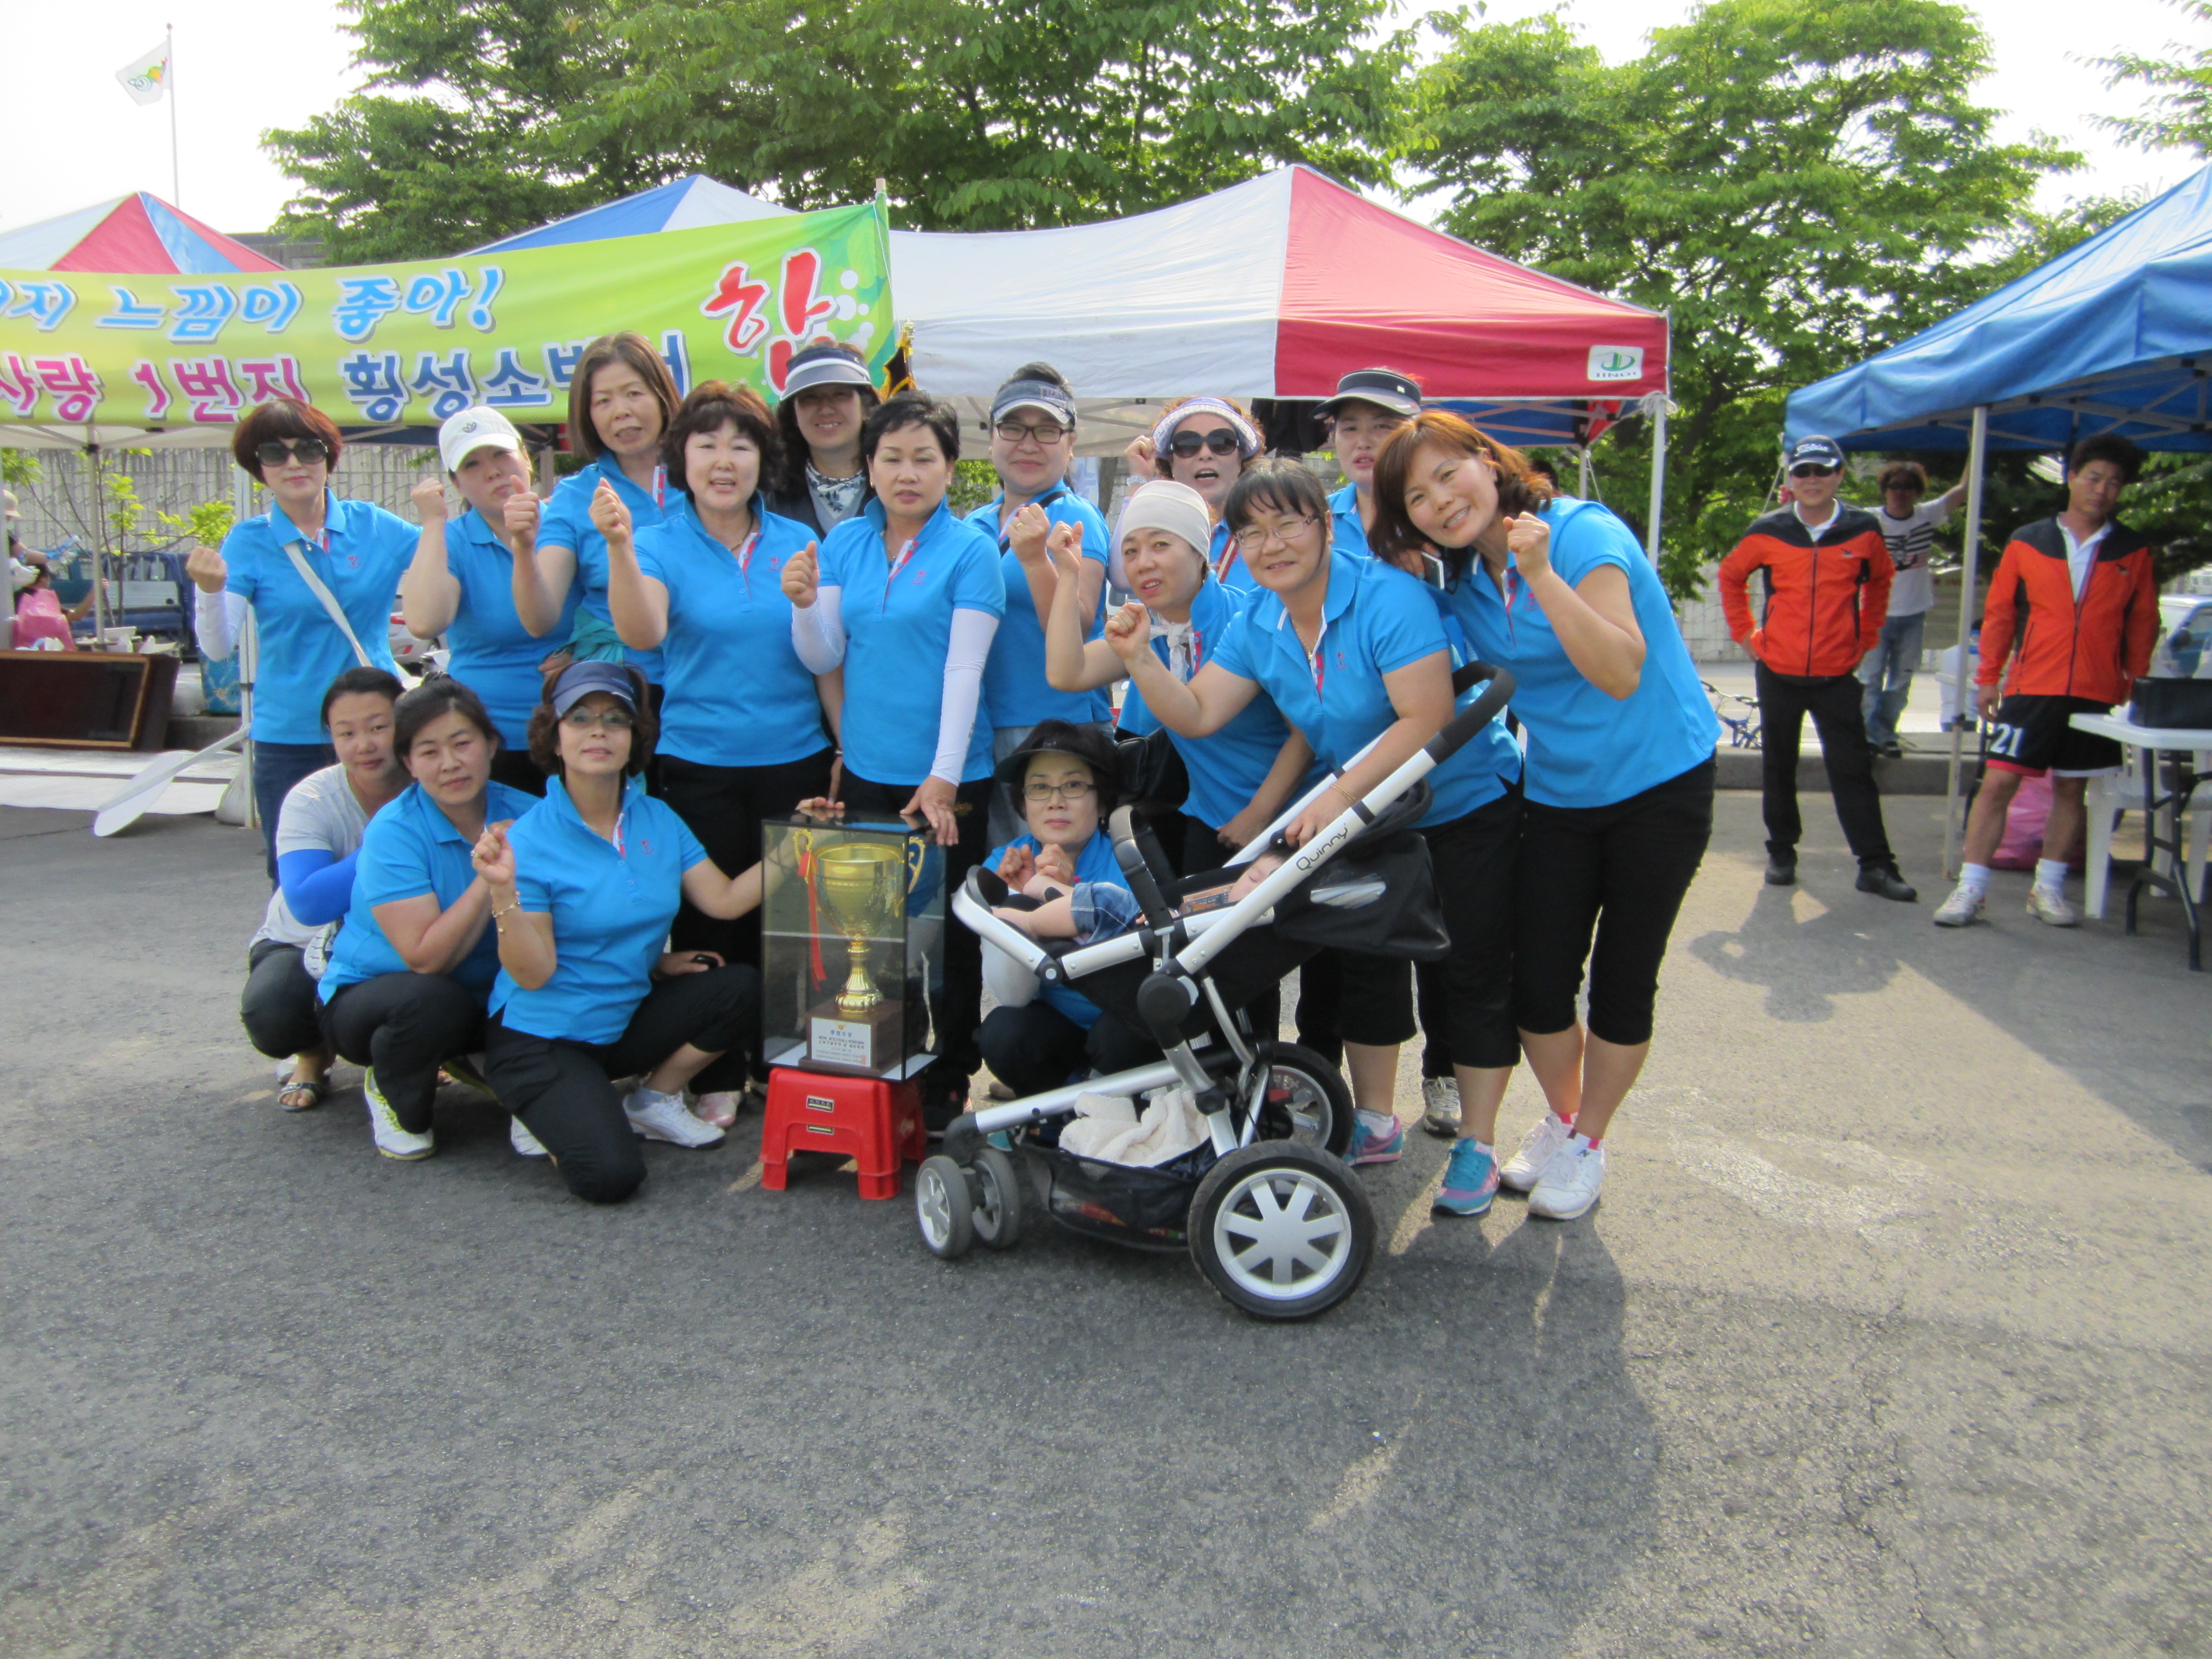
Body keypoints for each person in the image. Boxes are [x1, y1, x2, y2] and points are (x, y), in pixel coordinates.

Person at [1108, 457, 1525, 1185]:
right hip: (1369, 805)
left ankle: (1479, 1144)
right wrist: (1139, 659)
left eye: (1288, 524)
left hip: (1461, 801)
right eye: (1252, 532)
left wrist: (1334, 798)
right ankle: (1375, 1121)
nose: (1272, 545)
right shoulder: (1258, 620)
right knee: (1369, 955)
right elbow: (1198, 713)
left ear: (1325, 525)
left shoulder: (1388, 596)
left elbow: (1425, 717)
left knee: (1471, 970)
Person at [1376, 412, 1721, 1222]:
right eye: (1417, 498)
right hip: (1561, 791)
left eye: (1448, 475)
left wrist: (1539, 572)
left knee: (1623, 980)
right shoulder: (1462, 583)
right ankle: (1566, 1123)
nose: (1439, 502)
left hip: (1660, 784)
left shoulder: (1578, 533)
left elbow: (1620, 670)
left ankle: (1591, 1141)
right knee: (1537, 985)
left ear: (1487, 461)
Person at [600, 380, 839, 1121]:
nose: (724, 460)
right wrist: (618, 547)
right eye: (706, 444)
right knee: (710, 925)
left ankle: (783, 1060)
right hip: (698, 764)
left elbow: (827, 656)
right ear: (682, 459)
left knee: (793, 923)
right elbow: (642, 634)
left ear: (764, 458)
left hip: (796, 759)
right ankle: (718, 1071)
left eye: (741, 444)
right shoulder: (656, 542)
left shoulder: (802, 541)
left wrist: (846, 747)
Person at [783, 390, 1006, 1124]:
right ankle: (891, 1058)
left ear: (950, 467)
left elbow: (965, 670)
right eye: (891, 458)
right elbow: (824, 654)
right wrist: (803, 605)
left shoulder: (971, 550)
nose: (907, 473)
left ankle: (950, 1072)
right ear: (869, 466)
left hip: (950, 776)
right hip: (869, 771)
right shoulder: (845, 543)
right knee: (875, 933)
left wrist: (942, 776)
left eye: (924, 458)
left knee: (948, 934)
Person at [1040, 478, 1325, 1048]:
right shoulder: (1145, 629)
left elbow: (1307, 731)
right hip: (1210, 819)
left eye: (1161, 544)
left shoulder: (1246, 618)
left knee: (1295, 962)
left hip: (1291, 816)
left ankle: (1285, 1079)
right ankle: (1232, 1081)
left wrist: (1259, 815)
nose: (1143, 562)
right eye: (1130, 550)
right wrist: (1067, 577)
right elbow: (1066, 673)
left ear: (1200, 552)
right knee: (1219, 968)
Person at [475, 661, 768, 1202]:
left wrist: (800, 847)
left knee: (738, 986)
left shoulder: (658, 817)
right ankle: (542, 1104)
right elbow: (533, 974)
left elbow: (724, 901)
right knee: (610, 1177)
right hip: (542, 1038)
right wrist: (502, 892)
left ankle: (652, 1100)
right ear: (554, 737)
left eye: (615, 719)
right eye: (580, 718)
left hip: (621, 1022)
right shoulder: (528, 838)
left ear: (634, 737)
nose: (599, 732)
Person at [186, 399, 421, 880]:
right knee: (299, 884)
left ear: (328, 457)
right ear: (259, 468)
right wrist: (208, 592)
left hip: (378, 731)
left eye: (308, 449)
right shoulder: (248, 541)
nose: (294, 463)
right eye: (275, 453)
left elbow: (452, 561)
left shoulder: (374, 526)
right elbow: (217, 647)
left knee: (397, 869)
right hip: (288, 738)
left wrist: (440, 519)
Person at [1933, 434, 2161, 929]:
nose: (2102, 490)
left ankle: (2049, 887)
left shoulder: (2132, 549)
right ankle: (1971, 887)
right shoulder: (2029, 540)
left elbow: (2144, 620)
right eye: (2094, 478)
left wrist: (2134, 680)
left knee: (2071, 790)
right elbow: (1999, 613)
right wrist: (1988, 678)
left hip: (2096, 690)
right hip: (2032, 684)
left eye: (2114, 483)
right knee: (1999, 783)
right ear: (2072, 478)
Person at [315, 680, 541, 1162]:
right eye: (429, 751)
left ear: (492, 744)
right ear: (409, 762)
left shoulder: (532, 815)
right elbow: (425, 959)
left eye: (462, 744)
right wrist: (489, 875)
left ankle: (520, 1079)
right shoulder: (393, 830)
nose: (450, 763)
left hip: (491, 993)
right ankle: (390, 1084)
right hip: (383, 996)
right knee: (430, 1000)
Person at [1717, 434, 1916, 901]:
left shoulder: (1863, 529)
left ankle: (1875, 865)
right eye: (1803, 472)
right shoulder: (1769, 529)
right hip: (1779, 670)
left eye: (1822, 471)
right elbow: (1730, 576)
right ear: (1791, 479)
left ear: (1839, 475)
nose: (1812, 480)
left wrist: (1866, 638)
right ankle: (1781, 852)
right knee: (1778, 764)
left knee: (1853, 769)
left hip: (1836, 673)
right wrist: (1746, 635)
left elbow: (1881, 582)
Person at [240, 667, 409, 1112]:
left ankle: (417, 1056)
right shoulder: (312, 798)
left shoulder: (432, 784)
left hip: (403, 942)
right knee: (273, 1013)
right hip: (305, 942)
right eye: (346, 733)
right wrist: (391, 839)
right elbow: (309, 902)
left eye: (379, 727)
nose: (364, 744)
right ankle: (313, 1054)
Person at [975, 724, 1161, 1099]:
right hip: (1058, 1024)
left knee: (1122, 1036)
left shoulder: (1130, 860)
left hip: (1122, 1017)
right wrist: (1014, 898)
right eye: (1039, 787)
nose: (1055, 801)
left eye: (1073, 785)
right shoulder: (1005, 863)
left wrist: (1066, 895)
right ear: (1023, 801)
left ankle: (1078, 1104)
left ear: (1102, 801)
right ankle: (1063, 1095)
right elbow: (1012, 993)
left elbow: (1138, 965)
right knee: (1002, 1034)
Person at [971, 364, 1115, 846]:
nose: (1028, 444)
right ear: (992, 438)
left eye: (1047, 430)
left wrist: (1036, 559)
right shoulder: (972, 525)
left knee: (1058, 867)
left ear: (1070, 444)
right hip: (982, 729)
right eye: (1013, 427)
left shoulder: (1074, 515)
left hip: (1057, 730)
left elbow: (1080, 621)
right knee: (1005, 867)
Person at [400, 406, 574, 795]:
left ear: (526, 459)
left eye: (501, 454)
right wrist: (433, 523)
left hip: (578, 731)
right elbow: (425, 622)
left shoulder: (569, 524)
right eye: (472, 464)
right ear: (457, 484)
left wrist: (588, 651)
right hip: (490, 743)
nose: (492, 471)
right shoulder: (453, 540)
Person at [510, 332, 679, 686]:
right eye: (603, 401)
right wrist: (524, 548)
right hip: (618, 688)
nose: (621, 411)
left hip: (708, 681)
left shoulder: (708, 478)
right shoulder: (575, 495)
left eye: (634, 393)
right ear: (587, 415)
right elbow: (540, 620)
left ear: (663, 398)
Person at [1863, 461, 1969, 758]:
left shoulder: (1926, 515)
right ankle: (1869, 737)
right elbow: (1825, 513)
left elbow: (1963, 490)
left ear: (1917, 491)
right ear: (1885, 490)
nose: (1900, 493)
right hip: (1876, 615)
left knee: (1901, 681)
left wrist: (1974, 447)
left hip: (1913, 615)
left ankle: (1887, 734)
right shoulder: (1869, 519)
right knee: (1869, 679)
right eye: (1894, 486)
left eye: (1908, 487)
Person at [1123, 397, 1265, 591]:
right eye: (1188, 444)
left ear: (1241, 456)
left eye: (1223, 442)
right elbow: (1122, 580)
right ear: (1171, 461)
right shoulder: (1158, 529)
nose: (1205, 454)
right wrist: (1138, 479)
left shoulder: (1268, 532)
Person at [765, 340, 879, 535]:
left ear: (867, 406)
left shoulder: (896, 486)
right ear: (793, 413)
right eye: (810, 397)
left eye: (840, 394)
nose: (826, 409)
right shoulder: (768, 495)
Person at [1319, 368, 1421, 559]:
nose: (1363, 442)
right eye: (1350, 428)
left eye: (1382, 426)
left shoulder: (1436, 514)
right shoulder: (1316, 520)